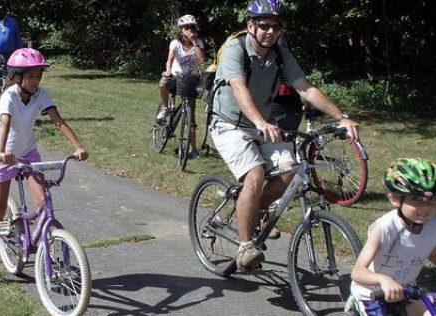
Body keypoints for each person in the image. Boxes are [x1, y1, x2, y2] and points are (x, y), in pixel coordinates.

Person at [209, 0, 360, 270]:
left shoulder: (279, 54)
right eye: (263, 25)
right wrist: (259, 120)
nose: (269, 31)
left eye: (275, 26)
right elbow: (238, 87)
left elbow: (305, 88)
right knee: (255, 175)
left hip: (262, 124)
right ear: (251, 25)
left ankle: (253, 211)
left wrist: (341, 117)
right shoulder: (235, 49)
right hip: (229, 123)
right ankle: (245, 248)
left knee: (290, 171)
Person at [0, 48, 88, 284]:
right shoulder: (9, 97)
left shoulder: (40, 94)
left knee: (43, 203)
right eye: (31, 76)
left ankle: (45, 248)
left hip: (28, 153)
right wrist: (0, 152)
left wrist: (78, 146)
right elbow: (5, 123)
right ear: (18, 77)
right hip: (5, 156)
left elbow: (57, 121)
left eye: (39, 76)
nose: (36, 81)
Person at [350, 158, 436, 316]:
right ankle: (356, 304)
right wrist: (384, 280)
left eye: (431, 200)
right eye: (415, 199)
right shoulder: (384, 228)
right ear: (395, 199)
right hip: (373, 295)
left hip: (405, 291)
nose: (425, 208)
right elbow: (357, 272)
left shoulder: (432, 225)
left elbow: (429, 251)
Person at [157, 14, 206, 159]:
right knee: (163, 83)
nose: (189, 29)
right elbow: (169, 60)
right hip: (176, 76)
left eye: (192, 27)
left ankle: (192, 148)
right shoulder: (175, 43)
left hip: (191, 79)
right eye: (186, 27)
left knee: (191, 114)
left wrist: (194, 41)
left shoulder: (199, 43)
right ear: (181, 30)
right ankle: (166, 108)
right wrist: (168, 70)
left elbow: (202, 60)